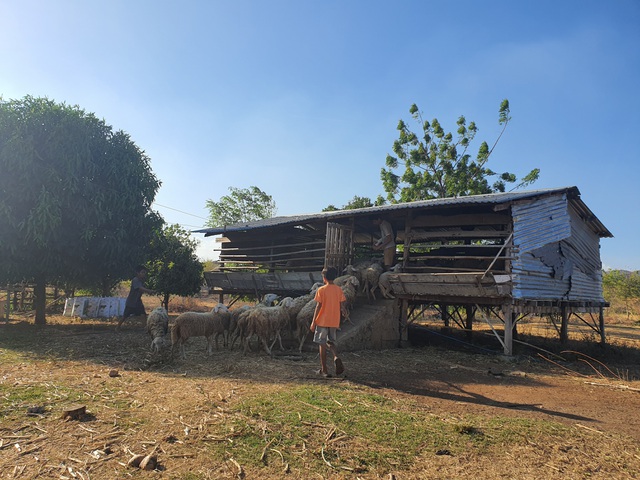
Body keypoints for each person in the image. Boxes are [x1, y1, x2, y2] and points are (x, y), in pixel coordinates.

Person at [310, 266, 347, 377]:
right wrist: (344, 312)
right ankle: (336, 356)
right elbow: (342, 305)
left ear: (324, 278)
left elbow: (318, 306)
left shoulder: (321, 290)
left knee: (322, 344)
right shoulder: (338, 289)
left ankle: (324, 370)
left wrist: (313, 321)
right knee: (330, 342)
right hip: (334, 321)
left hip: (322, 321)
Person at [117, 265, 155, 330]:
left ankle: (146, 328)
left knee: (143, 314)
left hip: (138, 301)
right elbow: (140, 288)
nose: (144, 274)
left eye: (144, 273)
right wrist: (149, 291)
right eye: (142, 272)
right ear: (138, 273)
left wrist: (150, 291)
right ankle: (117, 327)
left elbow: (142, 289)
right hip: (131, 302)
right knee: (125, 316)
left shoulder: (141, 281)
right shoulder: (135, 280)